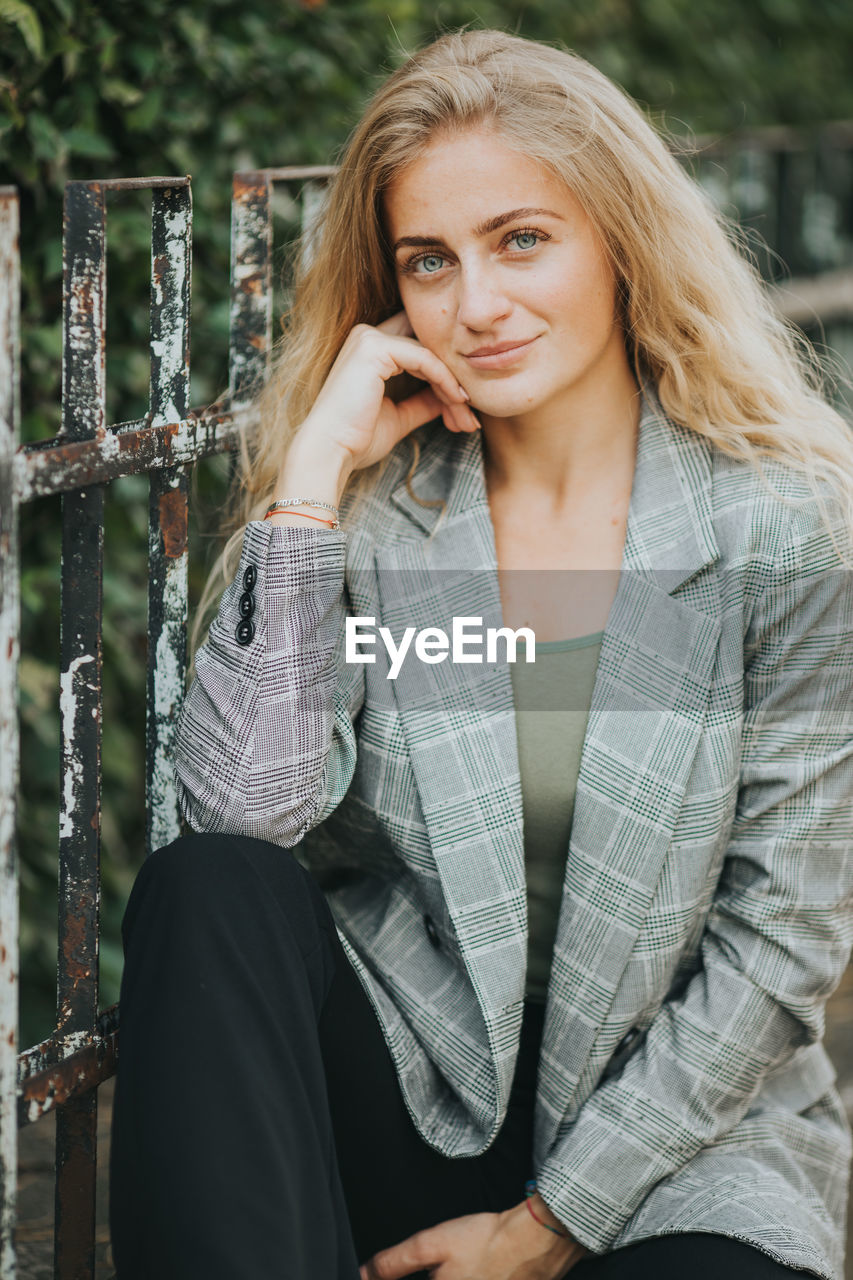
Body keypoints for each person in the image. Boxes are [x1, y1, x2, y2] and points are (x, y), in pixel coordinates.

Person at [109, 28, 853, 1280]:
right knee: (209, 888)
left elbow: (783, 935)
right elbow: (238, 811)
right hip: (406, 1083)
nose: (478, 304)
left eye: (522, 239)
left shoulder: (783, 521)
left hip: (678, 1137)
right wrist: (306, 486)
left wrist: (545, 1224)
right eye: (429, 261)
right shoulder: (377, 503)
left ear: (617, 238)